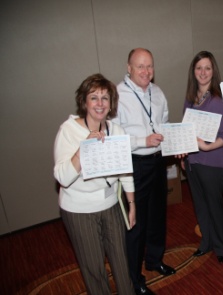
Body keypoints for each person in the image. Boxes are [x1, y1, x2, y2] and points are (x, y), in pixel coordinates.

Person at [53, 73, 136, 295]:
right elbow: (62, 177)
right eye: (94, 97)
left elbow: (125, 171)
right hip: (80, 210)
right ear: (84, 102)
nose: (100, 104)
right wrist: (83, 148)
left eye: (105, 98)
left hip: (110, 206)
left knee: (121, 261)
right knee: (94, 268)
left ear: (111, 104)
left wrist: (131, 203)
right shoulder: (69, 131)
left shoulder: (115, 130)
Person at [112, 48, 175, 295]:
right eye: (140, 66)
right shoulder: (117, 94)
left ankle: (155, 260)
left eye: (149, 66)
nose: (146, 71)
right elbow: (113, 136)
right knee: (135, 225)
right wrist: (142, 140)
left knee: (158, 216)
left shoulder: (157, 92)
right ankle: (133, 280)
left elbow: (166, 124)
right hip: (133, 164)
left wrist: (175, 143)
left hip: (158, 162)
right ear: (128, 67)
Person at [180, 51, 223, 263]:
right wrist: (184, 156)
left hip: (213, 163)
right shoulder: (190, 99)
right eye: (199, 68)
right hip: (193, 161)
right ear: (193, 72)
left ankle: (221, 247)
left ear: (214, 72)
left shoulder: (219, 100)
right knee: (200, 205)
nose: (203, 72)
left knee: (214, 206)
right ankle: (206, 242)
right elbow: (185, 129)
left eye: (207, 68)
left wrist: (206, 146)